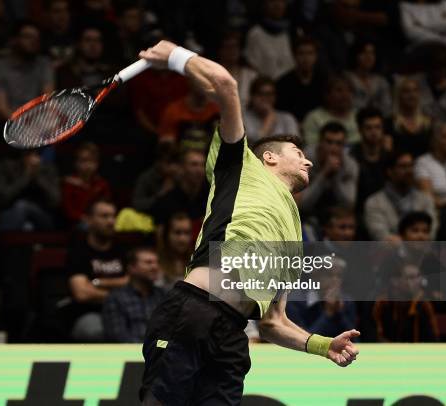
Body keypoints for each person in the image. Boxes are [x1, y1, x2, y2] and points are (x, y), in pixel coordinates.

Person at [137, 40, 359, 406]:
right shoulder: (240, 167)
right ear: (269, 157)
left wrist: (323, 345)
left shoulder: (294, 233)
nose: (310, 163)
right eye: (299, 154)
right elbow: (225, 84)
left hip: (232, 334)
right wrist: (175, 56)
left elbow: (273, 322)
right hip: (193, 311)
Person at [67, 199, 128, 342]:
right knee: (94, 331)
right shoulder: (78, 252)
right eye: (104, 216)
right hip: (90, 313)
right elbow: (82, 293)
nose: (111, 221)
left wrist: (96, 283)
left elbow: (130, 281)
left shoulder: (122, 249)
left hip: (124, 313)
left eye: (113, 216)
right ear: (88, 220)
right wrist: (119, 292)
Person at [0, 21, 54, 126]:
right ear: (14, 40)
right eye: (28, 37)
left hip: (38, 124)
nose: (33, 41)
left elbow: (47, 102)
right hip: (7, 125)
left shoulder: (44, 64)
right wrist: (25, 128)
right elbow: (1, 108)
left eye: (36, 38)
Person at [364, 151, 438, 241]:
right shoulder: (374, 202)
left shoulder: (425, 199)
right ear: (389, 171)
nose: (409, 171)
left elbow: (432, 230)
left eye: (411, 166)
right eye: (403, 166)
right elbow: (380, 234)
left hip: (422, 251)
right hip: (389, 252)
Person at [297, 122, 359, 224]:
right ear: (320, 142)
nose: (333, 148)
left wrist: (335, 176)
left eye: (338, 144)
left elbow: (349, 204)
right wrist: (324, 173)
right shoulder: (304, 161)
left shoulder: (350, 165)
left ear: (344, 146)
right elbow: (303, 205)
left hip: (336, 217)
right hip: (306, 216)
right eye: (329, 142)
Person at [102, 247, 165, 343]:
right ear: (132, 268)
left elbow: (169, 333)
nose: (155, 267)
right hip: (128, 354)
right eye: (148, 263)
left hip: (159, 354)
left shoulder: (164, 296)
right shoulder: (116, 298)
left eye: (157, 262)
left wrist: (158, 349)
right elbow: (117, 335)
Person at [372, 259, 439, 342]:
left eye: (418, 277)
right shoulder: (383, 303)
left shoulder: (423, 304)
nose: (417, 282)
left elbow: (432, 337)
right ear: (397, 281)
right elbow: (376, 335)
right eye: (411, 277)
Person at [0, 150, 60, 231]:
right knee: (20, 206)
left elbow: (55, 201)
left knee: (22, 206)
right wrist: (26, 176)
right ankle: (5, 240)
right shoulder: (7, 166)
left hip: (43, 214)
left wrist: (37, 176)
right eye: (27, 154)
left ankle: (5, 239)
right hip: (11, 212)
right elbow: (2, 198)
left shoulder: (48, 168)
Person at [150, 148, 209, 227]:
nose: (199, 170)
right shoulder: (166, 202)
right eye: (194, 164)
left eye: (202, 165)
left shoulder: (212, 200)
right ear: (182, 168)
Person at [350, 107, 390, 220]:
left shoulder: (390, 157)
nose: (374, 132)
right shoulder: (351, 157)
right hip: (357, 214)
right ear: (359, 130)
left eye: (377, 127)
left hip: (384, 213)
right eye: (368, 128)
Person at [157, 79, 220, 151]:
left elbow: (219, 144)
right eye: (200, 81)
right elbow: (166, 144)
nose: (203, 86)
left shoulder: (217, 111)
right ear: (190, 82)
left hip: (209, 159)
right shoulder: (173, 110)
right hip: (179, 158)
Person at [275, 36, 327, 122]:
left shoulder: (325, 81)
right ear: (294, 55)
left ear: (316, 56)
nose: (306, 58)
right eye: (301, 53)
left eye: (310, 53)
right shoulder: (283, 84)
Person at [61, 142, 111, 225]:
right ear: (76, 163)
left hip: (98, 221)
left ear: (97, 163)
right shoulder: (69, 183)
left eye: (91, 160)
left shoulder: (102, 184)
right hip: (75, 223)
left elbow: (106, 205)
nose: (88, 165)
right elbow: (68, 211)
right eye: (84, 160)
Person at [303, 75, 360, 147]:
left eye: (349, 90)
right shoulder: (314, 118)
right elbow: (311, 147)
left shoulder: (359, 116)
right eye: (339, 90)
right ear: (327, 95)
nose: (345, 95)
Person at [244, 0, 294, 80]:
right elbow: (252, 66)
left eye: (281, 1)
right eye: (272, 1)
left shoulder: (292, 32)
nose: (277, 5)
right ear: (265, 4)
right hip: (265, 88)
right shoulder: (255, 33)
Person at [243, 76, 299, 147]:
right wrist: (268, 122)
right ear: (252, 96)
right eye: (260, 94)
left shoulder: (287, 118)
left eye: (269, 94)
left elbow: (296, 145)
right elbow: (252, 146)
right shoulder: (243, 118)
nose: (265, 98)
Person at [415, 122, 446, 208]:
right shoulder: (423, 163)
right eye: (445, 137)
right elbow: (428, 198)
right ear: (433, 140)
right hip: (438, 210)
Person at [386, 76, 433, 158]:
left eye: (415, 90)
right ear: (399, 95)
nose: (412, 95)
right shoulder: (390, 122)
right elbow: (388, 153)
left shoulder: (428, 123)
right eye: (406, 91)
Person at [345, 39, 392, 116]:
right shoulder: (347, 78)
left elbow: (387, 108)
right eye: (364, 53)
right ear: (356, 55)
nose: (369, 57)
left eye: (372, 53)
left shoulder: (381, 81)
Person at [132, 143, 181, 213]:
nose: (173, 167)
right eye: (169, 162)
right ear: (158, 161)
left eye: (176, 162)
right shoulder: (146, 178)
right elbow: (137, 204)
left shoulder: (180, 177)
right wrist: (160, 195)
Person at [216, 31, 258, 108]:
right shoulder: (213, 74)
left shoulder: (251, 75)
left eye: (235, 46)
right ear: (220, 50)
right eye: (228, 47)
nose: (232, 50)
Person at [156, 212, 194, 291]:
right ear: (167, 235)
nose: (182, 239)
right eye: (177, 233)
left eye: (187, 233)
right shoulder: (155, 262)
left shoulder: (196, 261)